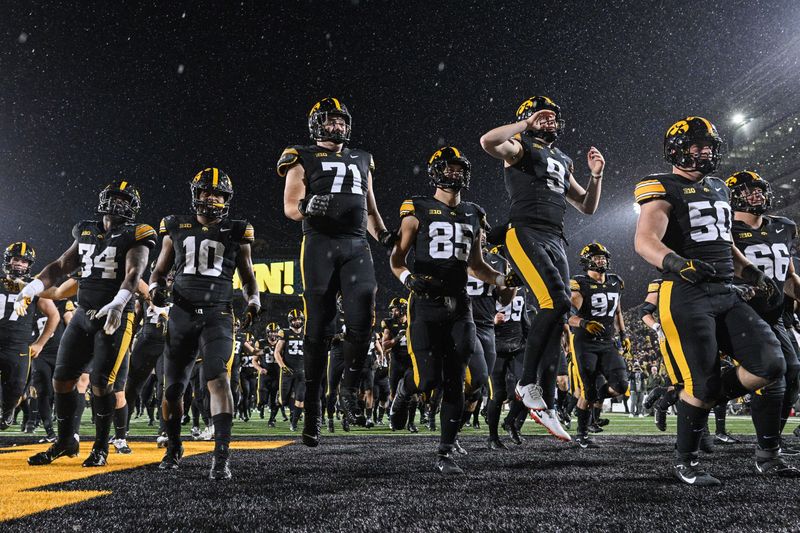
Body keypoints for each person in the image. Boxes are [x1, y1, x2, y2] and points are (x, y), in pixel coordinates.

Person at [634, 116, 794, 486]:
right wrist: (677, 263)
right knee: (702, 383)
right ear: (677, 149)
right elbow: (644, 240)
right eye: (696, 145)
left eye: (708, 145)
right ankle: (685, 460)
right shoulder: (661, 185)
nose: (704, 150)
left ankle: (693, 397)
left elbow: (726, 244)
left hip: (726, 290)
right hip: (685, 293)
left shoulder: (720, 187)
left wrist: (753, 274)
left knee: (771, 363)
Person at [480, 96, 604, 440]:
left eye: (552, 117)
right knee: (556, 304)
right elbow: (488, 141)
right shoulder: (520, 147)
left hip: (555, 236)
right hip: (524, 230)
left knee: (560, 311)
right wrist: (525, 125)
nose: (549, 121)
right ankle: (525, 385)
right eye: (542, 116)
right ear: (527, 119)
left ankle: (545, 399)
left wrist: (597, 176)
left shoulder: (562, 159)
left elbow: (586, 206)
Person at [389, 146, 517, 474]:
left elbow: (475, 266)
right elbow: (397, 258)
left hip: (460, 304)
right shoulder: (417, 207)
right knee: (426, 379)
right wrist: (407, 279)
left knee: (459, 378)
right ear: (435, 171)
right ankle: (405, 390)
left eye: (460, 169)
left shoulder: (474, 212)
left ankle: (445, 451)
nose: (455, 174)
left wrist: (503, 280)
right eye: (449, 168)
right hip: (426, 302)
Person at [280, 97, 396, 448]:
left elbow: (371, 209)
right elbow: (289, 206)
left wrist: (387, 238)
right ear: (317, 124)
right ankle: (313, 409)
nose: (336, 125)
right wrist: (307, 206)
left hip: (357, 243)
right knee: (319, 329)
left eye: (340, 120)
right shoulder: (301, 154)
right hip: (319, 244)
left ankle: (348, 389)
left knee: (364, 314)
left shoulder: (362, 158)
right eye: (329, 121)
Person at [20, 182, 154, 467]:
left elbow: (134, 273)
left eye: (123, 200)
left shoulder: (137, 233)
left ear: (133, 207)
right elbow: (59, 266)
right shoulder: (86, 230)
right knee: (62, 379)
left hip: (116, 314)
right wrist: (31, 288)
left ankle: (101, 447)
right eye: (113, 198)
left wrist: (119, 303)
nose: (117, 204)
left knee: (102, 384)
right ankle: (66, 441)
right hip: (84, 312)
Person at [149, 167, 260, 480]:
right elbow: (158, 271)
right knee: (172, 390)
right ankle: (173, 446)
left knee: (217, 376)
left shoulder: (237, 230)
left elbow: (248, 276)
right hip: (182, 314)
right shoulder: (176, 226)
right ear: (196, 195)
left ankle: (221, 456)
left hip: (218, 315)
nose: (211, 198)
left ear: (226, 199)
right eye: (206, 192)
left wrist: (254, 302)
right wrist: (156, 288)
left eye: (218, 194)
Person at [727, 170, 800, 455]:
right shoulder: (726, 229)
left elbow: (788, 277)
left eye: (758, 189)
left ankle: (772, 440)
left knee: (792, 370)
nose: (755, 194)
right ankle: (766, 448)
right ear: (734, 198)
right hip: (742, 311)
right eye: (747, 191)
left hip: (774, 313)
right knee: (772, 375)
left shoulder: (783, 226)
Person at [567, 243, 629, 448]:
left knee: (621, 385)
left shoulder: (615, 281)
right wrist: (585, 323)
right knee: (588, 390)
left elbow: (618, 311)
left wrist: (624, 334)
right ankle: (582, 434)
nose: (601, 260)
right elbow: (569, 316)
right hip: (585, 344)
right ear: (587, 261)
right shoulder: (579, 283)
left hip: (608, 342)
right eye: (596, 257)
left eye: (603, 257)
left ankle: (595, 395)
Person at [0, 243, 59, 430]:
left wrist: (40, 343)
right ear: (8, 260)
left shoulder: (34, 287)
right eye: (16, 259)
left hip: (18, 345)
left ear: (29, 265)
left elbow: (54, 315)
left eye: (24, 261)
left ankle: (8, 412)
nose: (19, 264)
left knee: (16, 389)